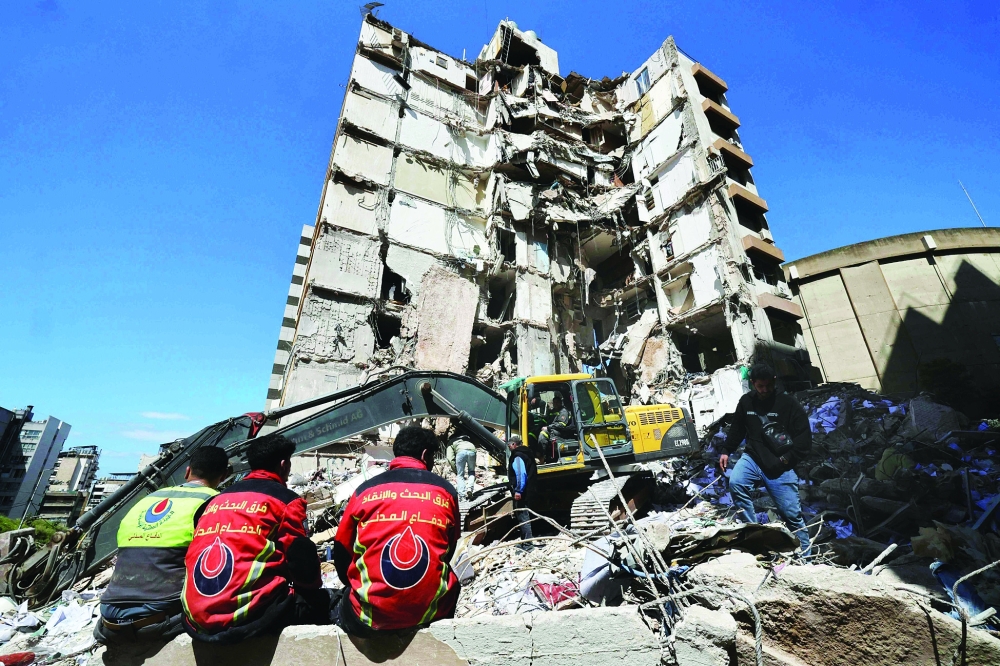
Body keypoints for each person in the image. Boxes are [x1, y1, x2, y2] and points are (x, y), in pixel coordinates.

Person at [181, 436, 331, 644]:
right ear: (283, 465)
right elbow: (302, 562)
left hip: (194, 620)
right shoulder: (287, 501)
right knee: (328, 602)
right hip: (246, 619)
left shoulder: (214, 501)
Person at [332, 426, 461, 636]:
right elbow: (449, 548)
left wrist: (353, 584)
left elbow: (341, 547)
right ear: (425, 455)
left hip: (367, 617)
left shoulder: (365, 490)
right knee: (452, 584)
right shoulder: (446, 491)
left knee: (341, 598)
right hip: (430, 613)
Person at [95, 446, 230, 644]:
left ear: (187, 471)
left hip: (109, 616)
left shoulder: (149, 499)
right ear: (225, 475)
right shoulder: (216, 503)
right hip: (157, 619)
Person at [719, 363, 812, 555]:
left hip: (780, 464)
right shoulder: (746, 402)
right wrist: (727, 450)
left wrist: (785, 461)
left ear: (774, 382)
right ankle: (753, 534)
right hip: (753, 458)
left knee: (791, 514)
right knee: (736, 483)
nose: (765, 390)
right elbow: (737, 428)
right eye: (760, 386)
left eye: (768, 386)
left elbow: (804, 440)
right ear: (753, 383)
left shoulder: (788, 404)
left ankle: (806, 557)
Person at [507, 435, 537, 548]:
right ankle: (525, 541)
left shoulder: (518, 456)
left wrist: (518, 490)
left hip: (523, 492)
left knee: (523, 516)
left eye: (509, 445)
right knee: (523, 515)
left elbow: (521, 474)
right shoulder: (527, 453)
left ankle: (528, 544)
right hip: (529, 489)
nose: (509, 447)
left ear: (514, 444)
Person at [446, 435, 477, 500]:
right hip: (472, 450)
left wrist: (456, 470)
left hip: (460, 452)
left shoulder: (451, 442)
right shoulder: (466, 439)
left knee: (460, 475)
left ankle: (462, 496)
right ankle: (469, 489)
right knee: (471, 471)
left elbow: (450, 458)